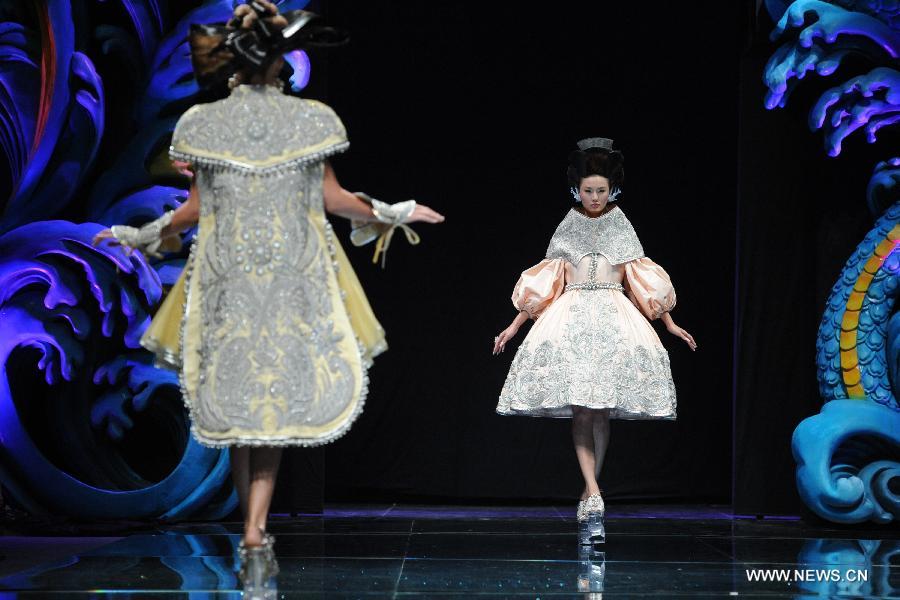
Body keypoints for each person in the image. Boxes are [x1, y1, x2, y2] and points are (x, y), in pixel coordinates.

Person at [92, 1, 444, 590]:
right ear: (282, 59)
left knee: (236, 403)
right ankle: (256, 530)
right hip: (288, 274)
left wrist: (143, 234)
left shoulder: (203, 123)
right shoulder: (311, 121)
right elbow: (335, 200)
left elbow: (194, 211)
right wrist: (393, 211)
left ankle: (253, 532)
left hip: (229, 275)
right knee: (270, 404)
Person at [492, 137, 694, 544]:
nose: (596, 197)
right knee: (582, 411)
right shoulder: (567, 226)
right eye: (589, 190)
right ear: (576, 190)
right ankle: (596, 494)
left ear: (613, 189)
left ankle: (590, 494)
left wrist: (668, 323)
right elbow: (547, 280)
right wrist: (514, 327)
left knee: (600, 412)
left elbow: (641, 279)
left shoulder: (622, 225)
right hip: (571, 321)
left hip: (615, 323)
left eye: (602, 190)